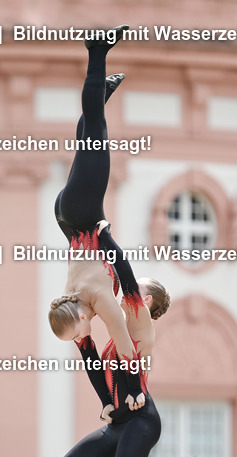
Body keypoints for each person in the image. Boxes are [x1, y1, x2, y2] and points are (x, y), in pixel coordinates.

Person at [47, 24, 146, 414]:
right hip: (68, 220)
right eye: (80, 336)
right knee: (85, 146)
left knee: (96, 135)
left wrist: (134, 391)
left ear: (82, 316)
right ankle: (99, 96)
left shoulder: (100, 302)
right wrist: (107, 402)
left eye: (81, 331)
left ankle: (97, 50)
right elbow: (91, 361)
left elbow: (124, 347)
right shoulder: (68, 309)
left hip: (83, 214)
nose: (84, 338)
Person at [53, 269, 171, 457]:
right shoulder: (119, 329)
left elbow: (125, 278)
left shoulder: (138, 325)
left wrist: (103, 238)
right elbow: (95, 365)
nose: (122, 293)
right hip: (120, 423)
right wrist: (82, 336)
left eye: (134, 290)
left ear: (143, 300)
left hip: (143, 421)